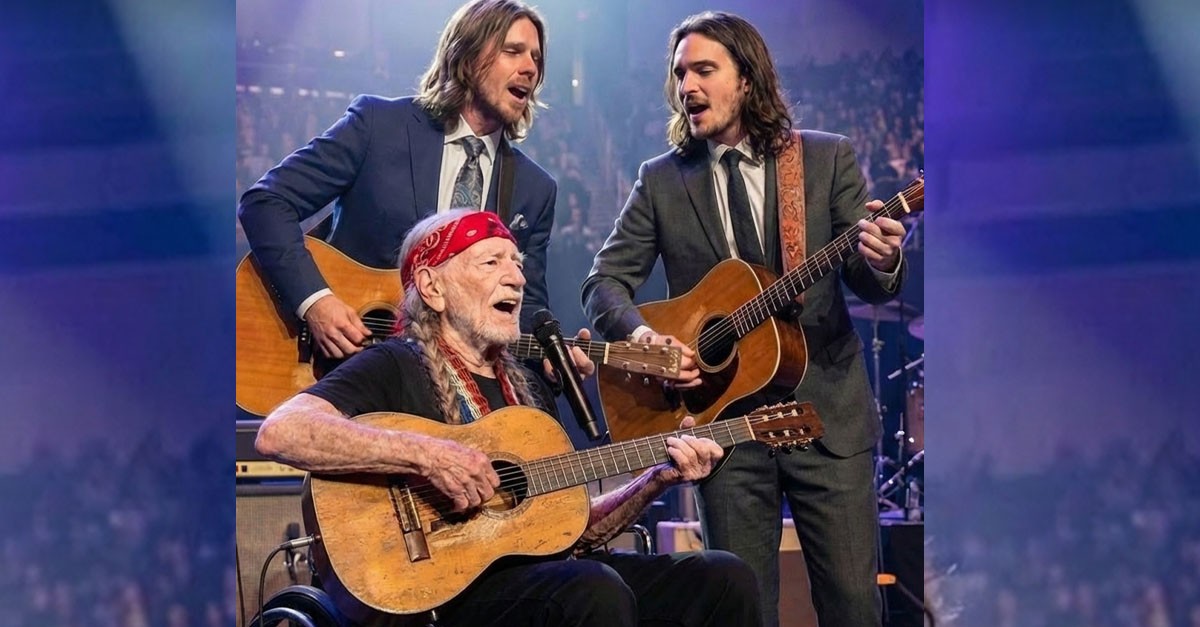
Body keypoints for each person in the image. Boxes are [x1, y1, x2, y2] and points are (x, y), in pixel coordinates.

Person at [255, 210, 763, 627]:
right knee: (591, 590)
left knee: (721, 578)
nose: (516, 277)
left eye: (517, 263)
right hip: (443, 596)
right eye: (491, 261)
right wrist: (427, 455)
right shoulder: (393, 364)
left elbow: (571, 530)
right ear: (432, 286)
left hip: (547, 578)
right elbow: (282, 430)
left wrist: (654, 480)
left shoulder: (529, 385)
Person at [581, 12, 908, 627]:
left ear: (748, 80)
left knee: (855, 606)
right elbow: (603, 283)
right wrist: (642, 337)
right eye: (680, 73)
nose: (688, 86)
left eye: (705, 69)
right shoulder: (661, 180)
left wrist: (884, 259)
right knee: (740, 608)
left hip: (826, 419)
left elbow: (865, 276)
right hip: (725, 430)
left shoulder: (824, 159)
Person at [238, 0, 558, 360]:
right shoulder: (379, 126)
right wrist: (315, 302)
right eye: (513, 51)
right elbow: (265, 203)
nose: (530, 68)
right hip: (338, 371)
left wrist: (553, 355)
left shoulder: (535, 190)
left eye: (537, 58)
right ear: (467, 57)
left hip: (454, 391)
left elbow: (525, 308)